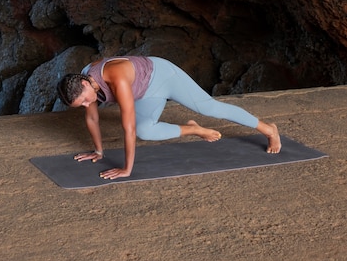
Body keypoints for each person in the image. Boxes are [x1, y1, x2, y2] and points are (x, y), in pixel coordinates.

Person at [57, 55, 281, 180]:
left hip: (164, 76)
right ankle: (193, 129)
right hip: (145, 92)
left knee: (209, 108)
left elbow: (128, 129)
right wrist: (98, 151)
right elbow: (92, 119)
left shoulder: (115, 77)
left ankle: (268, 129)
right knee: (146, 130)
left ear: (85, 83)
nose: (88, 104)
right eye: (82, 105)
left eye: (86, 100)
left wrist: (127, 169)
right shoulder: (83, 83)